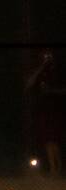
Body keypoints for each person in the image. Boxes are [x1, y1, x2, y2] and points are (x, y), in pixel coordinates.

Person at [27, 49, 65, 177]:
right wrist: (41, 67)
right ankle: (53, 168)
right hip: (44, 111)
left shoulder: (57, 72)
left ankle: (58, 168)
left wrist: (51, 91)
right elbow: (29, 83)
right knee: (48, 142)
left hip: (55, 110)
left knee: (54, 142)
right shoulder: (40, 73)